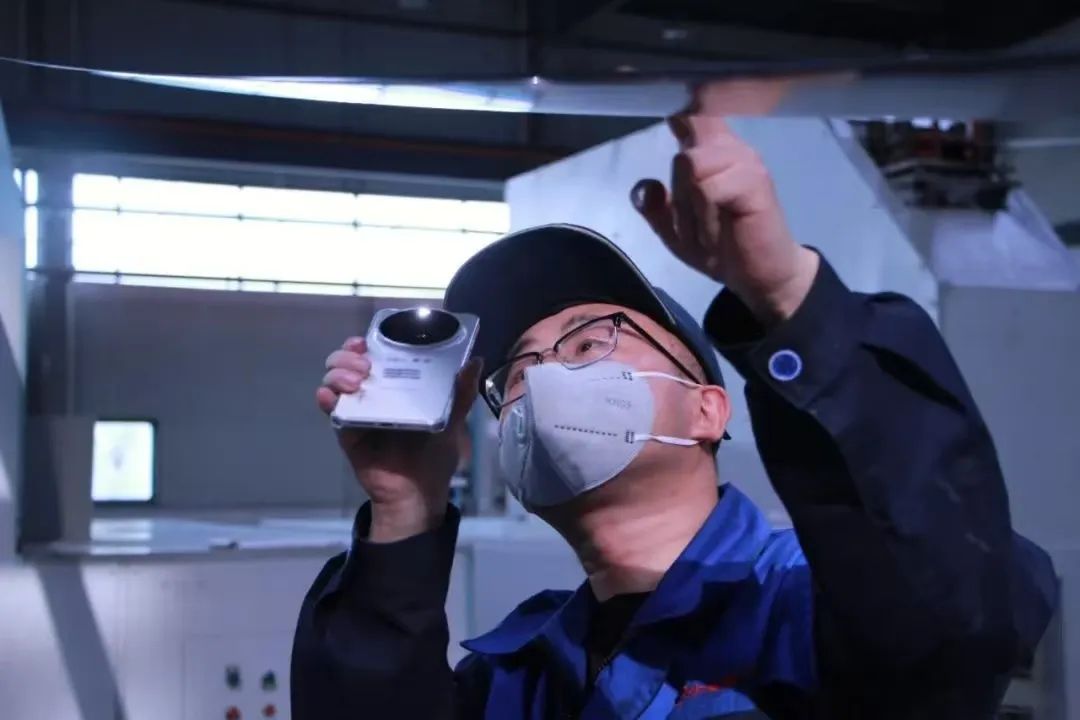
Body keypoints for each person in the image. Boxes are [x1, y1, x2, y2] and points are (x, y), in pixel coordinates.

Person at [291, 115, 1059, 719]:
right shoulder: (518, 677)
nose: (544, 376)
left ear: (706, 410)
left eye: (589, 341)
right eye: (517, 370)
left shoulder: (803, 606)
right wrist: (406, 507)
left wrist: (786, 295)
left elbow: (951, 610)